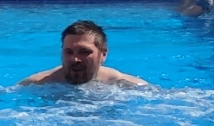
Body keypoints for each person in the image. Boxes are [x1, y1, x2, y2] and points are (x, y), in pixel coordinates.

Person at [19, 20, 149, 88]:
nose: (75, 59)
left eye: (84, 52)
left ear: (103, 54)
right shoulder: (36, 84)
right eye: (68, 52)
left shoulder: (128, 86)